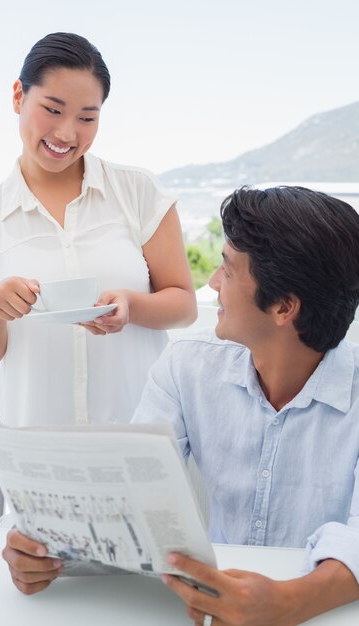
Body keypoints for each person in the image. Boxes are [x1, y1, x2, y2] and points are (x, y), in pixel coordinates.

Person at [132, 186, 359, 624]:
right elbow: (130, 491)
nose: (213, 283)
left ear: (283, 307)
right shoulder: (186, 365)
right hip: (207, 605)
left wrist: (289, 603)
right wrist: (55, 550)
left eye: (228, 271)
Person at [0, 32, 196, 428]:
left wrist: (131, 307)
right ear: (18, 97)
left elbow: (184, 305)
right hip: (36, 455)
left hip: (135, 441)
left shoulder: (138, 192)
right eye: (52, 109)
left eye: (87, 118)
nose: (66, 134)